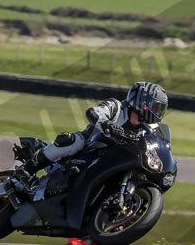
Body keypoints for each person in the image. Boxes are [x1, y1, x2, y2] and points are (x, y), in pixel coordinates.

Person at [12, 81, 176, 190]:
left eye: (160, 109)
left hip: (116, 159)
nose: (156, 112)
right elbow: (94, 112)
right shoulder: (117, 107)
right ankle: (26, 170)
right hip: (90, 146)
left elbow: (157, 143)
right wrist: (108, 125)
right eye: (154, 106)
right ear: (141, 101)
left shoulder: (148, 128)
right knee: (72, 141)